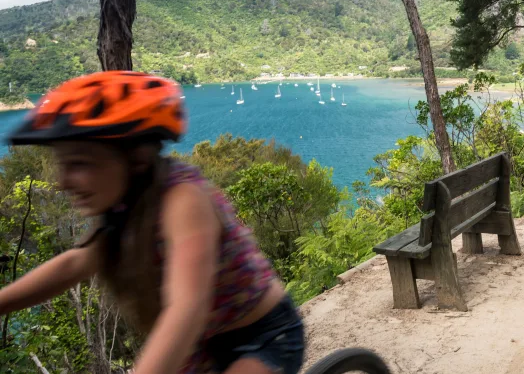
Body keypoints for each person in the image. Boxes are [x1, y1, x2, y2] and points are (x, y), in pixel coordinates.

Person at [0, 71, 304, 374]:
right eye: (62, 164)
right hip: (200, 347)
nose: (63, 182)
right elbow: (74, 264)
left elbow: (187, 309)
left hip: (261, 338)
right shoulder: (122, 209)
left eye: (79, 163)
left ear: (137, 159)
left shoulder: (184, 198)